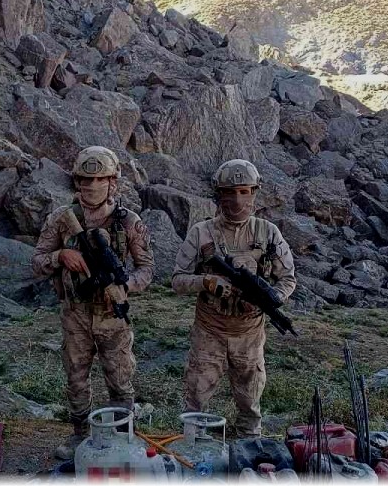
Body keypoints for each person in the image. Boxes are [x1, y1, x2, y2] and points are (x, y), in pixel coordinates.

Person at [31, 146, 155, 459]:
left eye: (100, 178)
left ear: (113, 181)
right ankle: (79, 434)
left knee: (120, 377)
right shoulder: (62, 219)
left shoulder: (129, 222)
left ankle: (122, 435)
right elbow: (37, 261)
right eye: (86, 179)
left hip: (112, 314)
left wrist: (124, 286)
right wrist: (61, 256)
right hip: (75, 313)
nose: (92, 185)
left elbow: (147, 268)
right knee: (76, 376)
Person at [171, 159, 297, 437]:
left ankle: (248, 449)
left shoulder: (268, 233)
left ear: (254, 192)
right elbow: (177, 279)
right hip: (209, 330)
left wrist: (269, 298)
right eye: (229, 192)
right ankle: (193, 446)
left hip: (249, 333)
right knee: (196, 398)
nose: (237, 199)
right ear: (218, 195)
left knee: (250, 403)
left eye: (244, 191)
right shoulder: (201, 232)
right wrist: (207, 282)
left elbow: (288, 278)